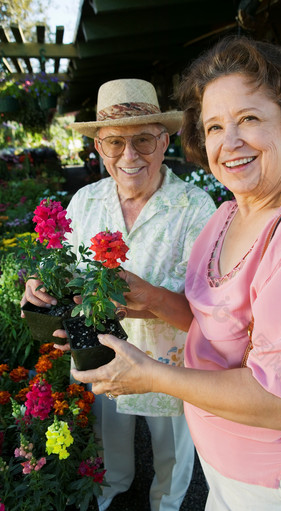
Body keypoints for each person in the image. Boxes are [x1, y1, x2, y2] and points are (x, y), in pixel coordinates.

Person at [70, 37, 281, 511]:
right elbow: (210, 324)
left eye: (249, 119)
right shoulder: (228, 214)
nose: (229, 142)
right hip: (225, 460)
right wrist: (150, 299)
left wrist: (153, 375)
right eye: (215, 126)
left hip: (269, 476)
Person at [21, 78, 216, 511]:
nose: (130, 156)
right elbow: (64, 270)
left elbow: (208, 310)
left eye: (143, 140)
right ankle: (112, 491)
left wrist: (143, 299)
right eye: (114, 143)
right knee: (109, 442)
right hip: (98, 350)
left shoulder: (197, 207)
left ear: (164, 141)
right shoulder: (85, 202)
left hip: (171, 359)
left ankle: (166, 503)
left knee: (172, 450)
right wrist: (40, 288)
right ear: (98, 148)